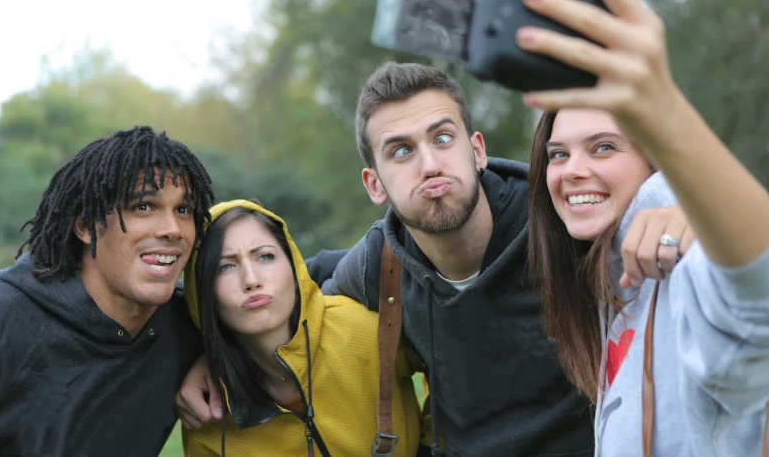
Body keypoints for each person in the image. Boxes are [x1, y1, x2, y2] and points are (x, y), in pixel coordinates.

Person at [176, 60, 693, 456]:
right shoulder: (382, 264)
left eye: (442, 138)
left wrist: (685, 212)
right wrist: (203, 344)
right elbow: (296, 288)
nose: (429, 164)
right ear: (374, 183)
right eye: (401, 151)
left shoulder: (563, 222)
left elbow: (651, 203)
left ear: (477, 149)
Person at [522, 0, 769, 455]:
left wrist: (666, 114)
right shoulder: (610, 290)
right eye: (558, 153)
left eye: (604, 147)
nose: (571, 169)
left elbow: (759, 299)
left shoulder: (683, 265)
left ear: (654, 160)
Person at [0, 126, 215, 457]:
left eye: (183, 210)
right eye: (144, 206)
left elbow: (295, 282)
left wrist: (218, 353)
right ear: (86, 227)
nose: (172, 229)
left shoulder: (191, 323)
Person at [181, 199, 427, 456]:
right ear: (202, 294)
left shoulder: (365, 329)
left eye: (265, 256)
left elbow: (447, 365)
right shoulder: (206, 415)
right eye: (225, 266)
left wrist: (433, 446)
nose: (251, 280)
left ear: (294, 266)